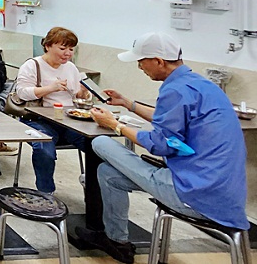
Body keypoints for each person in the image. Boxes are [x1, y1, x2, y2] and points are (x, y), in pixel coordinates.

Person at [77, 33, 248, 264]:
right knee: (107, 174)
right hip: (224, 194)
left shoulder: (174, 90)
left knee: (100, 142)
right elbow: (166, 119)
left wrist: (114, 125)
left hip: (192, 193)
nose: (139, 66)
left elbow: (162, 144)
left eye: (142, 61)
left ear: (159, 61)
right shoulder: (199, 85)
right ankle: (117, 242)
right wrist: (128, 104)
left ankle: (109, 229)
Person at [14, 27, 92, 194]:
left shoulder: (70, 68)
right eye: (62, 48)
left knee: (96, 144)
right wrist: (50, 88)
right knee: (44, 149)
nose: (67, 53)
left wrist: (83, 93)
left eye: (71, 49)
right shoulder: (32, 65)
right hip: (37, 119)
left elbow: (76, 95)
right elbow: (22, 93)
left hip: (68, 120)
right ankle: (46, 193)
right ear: (48, 46)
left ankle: (94, 185)